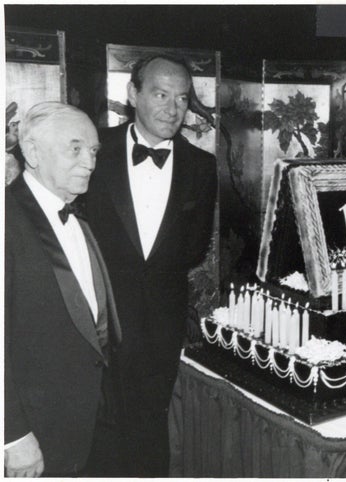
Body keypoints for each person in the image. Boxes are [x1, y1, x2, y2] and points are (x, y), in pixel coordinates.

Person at [83, 54, 217, 476]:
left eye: (181, 98)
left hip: (162, 320)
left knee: (150, 428)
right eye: (160, 94)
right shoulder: (93, 152)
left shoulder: (202, 166)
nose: (172, 108)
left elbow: (195, 247)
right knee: (98, 428)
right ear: (133, 94)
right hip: (96, 319)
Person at [5, 102, 122, 477]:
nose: (89, 161)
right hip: (34, 431)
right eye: (75, 148)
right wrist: (13, 435)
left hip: (84, 422)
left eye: (93, 151)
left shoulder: (77, 216)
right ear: (33, 152)